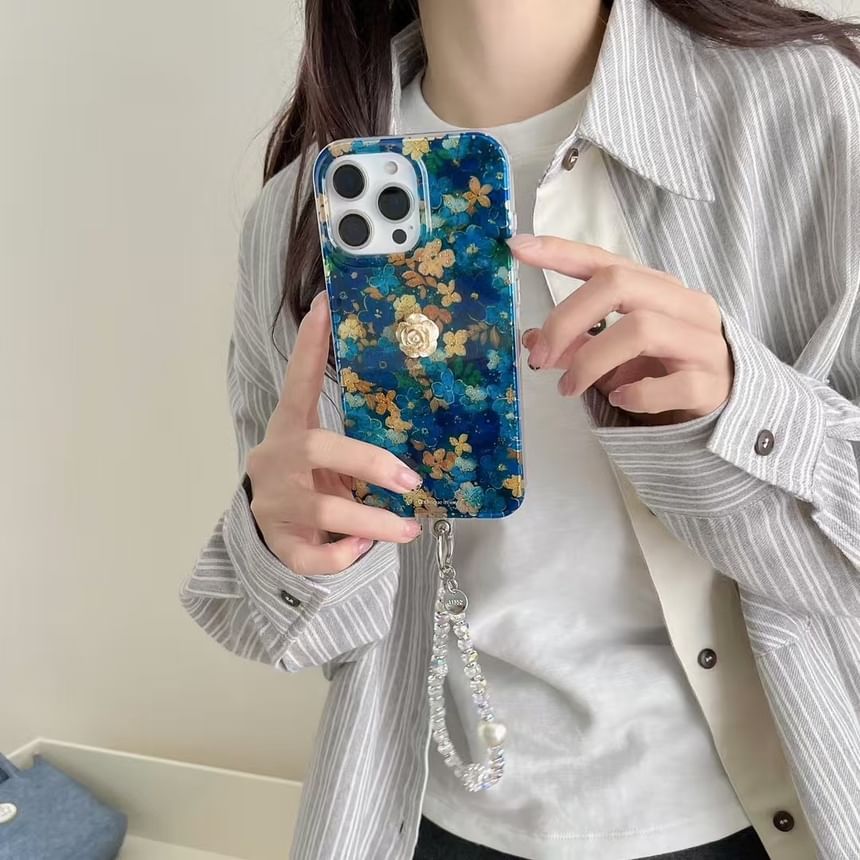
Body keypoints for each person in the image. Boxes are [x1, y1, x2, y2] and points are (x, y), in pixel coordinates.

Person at [178, 1, 860, 858]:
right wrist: (284, 549)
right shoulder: (307, 212)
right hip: (423, 817)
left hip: (768, 816)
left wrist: (744, 412)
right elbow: (320, 634)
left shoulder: (814, 111)